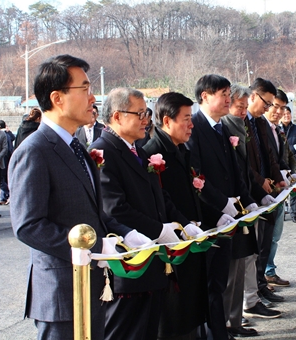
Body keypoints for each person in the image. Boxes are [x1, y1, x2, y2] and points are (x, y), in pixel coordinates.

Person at [8, 54, 141, 340]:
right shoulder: (35, 150)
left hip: (89, 287)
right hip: (62, 292)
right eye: (85, 88)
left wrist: (125, 234)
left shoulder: (77, 147)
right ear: (57, 98)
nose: (93, 97)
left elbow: (93, 211)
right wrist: (91, 248)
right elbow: (29, 225)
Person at [89, 87, 194, 340]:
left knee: (148, 331)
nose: (146, 120)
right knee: (127, 332)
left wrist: (184, 224)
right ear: (117, 116)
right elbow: (115, 208)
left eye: (146, 113)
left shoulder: (139, 150)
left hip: (152, 261)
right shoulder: (102, 152)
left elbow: (161, 197)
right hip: (130, 265)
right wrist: (160, 230)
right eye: (140, 113)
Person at [144, 92, 229, 339]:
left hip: (191, 240)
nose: (191, 125)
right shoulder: (153, 153)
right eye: (186, 119)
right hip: (173, 247)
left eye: (192, 118)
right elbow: (162, 202)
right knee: (175, 317)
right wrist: (183, 225)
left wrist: (219, 214)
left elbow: (195, 191)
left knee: (194, 308)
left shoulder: (181, 149)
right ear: (167, 121)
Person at [186, 74, 259, 340]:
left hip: (228, 218)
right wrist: (221, 206)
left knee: (219, 281)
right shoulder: (194, 128)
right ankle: (213, 333)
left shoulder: (223, 127)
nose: (229, 99)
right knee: (210, 284)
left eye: (230, 93)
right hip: (208, 219)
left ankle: (221, 332)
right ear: (205, 96)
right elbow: (196, 177)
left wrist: (246, 199)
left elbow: (234, 171)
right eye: (224, 94)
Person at [221, 84, 281, 337]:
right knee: (235, 267)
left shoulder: (254, 124)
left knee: (253, 254)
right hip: (232, 206)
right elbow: (242, 168)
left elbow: (263, 158)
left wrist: (264, 189)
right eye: (239, 106)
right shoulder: (225, 127)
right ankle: (236, 314)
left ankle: (246, 305)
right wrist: (255, 189)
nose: (243, 111)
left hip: (250, 198)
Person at [243, 78, 287, 312]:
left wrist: (278, 177)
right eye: (267, 103)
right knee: (253, 248)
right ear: (253, 96)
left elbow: (268, 154)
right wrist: (260, 182)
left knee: (265, 242)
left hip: (268, 191)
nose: (269, 109)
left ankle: (260, 286)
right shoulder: (240, 122)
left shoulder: (259, 123)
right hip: (251, 192)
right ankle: (254, 292)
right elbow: (243, 162)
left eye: (273, 104)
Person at [263, 89, 296, 286]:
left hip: (280, 192)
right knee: (266, 237)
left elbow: (287, 156)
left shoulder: (278, 130)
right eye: (275, 106)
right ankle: (263, 275)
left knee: (275, 236)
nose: (278, 112)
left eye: (282, 108)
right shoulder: (259, 129)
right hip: (265, 193)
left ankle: (269, 271)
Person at [0, 120, 14, 205]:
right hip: (8, 160)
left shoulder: (2, 135)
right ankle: (3, 197)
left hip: (2, 160)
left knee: (1, 179)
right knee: (6, 179)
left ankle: (10, 194)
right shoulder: (9, 134)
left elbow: (5, 149)